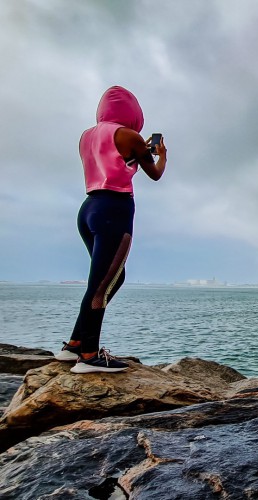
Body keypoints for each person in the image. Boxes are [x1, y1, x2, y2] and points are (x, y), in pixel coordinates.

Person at [55, 86, 167, 373]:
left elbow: (112, 162)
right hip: (114, 210)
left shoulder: (87, 135)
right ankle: (90, 357)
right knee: (102, 284)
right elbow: (154, 173)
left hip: (90, 207)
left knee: (107, 279)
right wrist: (161, 154)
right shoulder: (130, 137)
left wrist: (136, 152)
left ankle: (75, 345)